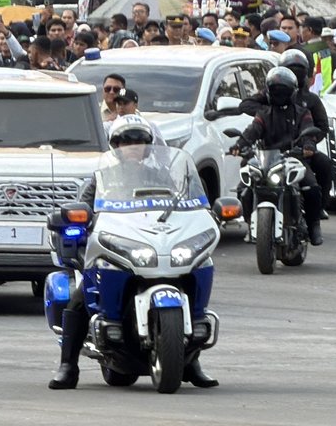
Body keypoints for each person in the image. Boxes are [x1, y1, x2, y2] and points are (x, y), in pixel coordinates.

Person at [52, 117, 219, 390]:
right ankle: (68, 366)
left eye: (139, 141)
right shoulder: (100, 179)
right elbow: (82, 207)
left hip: (160, 247)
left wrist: (207, 213)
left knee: (198, 268)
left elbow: (189, 201)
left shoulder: (163, 176)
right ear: (116, 145)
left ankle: (190, 361)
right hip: (118, 248)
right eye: (127, 141)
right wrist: (78, 217)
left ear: (148, 146)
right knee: (81, 298)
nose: (133, 146)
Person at [230, 67, 323, 246]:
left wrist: (309, 145)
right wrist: (239, 145)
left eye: (283, 91)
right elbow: (252, 131)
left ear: (292, 92)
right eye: (276, 90)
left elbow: (308, 131)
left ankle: (313, 226)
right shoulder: (264, 114)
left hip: (293, 158)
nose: (279, 94)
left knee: (312, 189)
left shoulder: (302, 113)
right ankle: (251, 224)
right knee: (244, 188)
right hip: (266, 159)